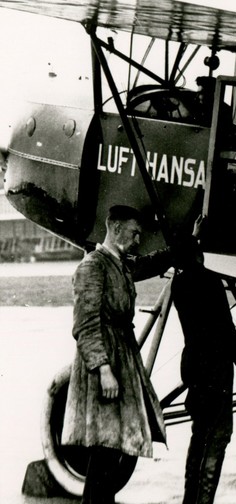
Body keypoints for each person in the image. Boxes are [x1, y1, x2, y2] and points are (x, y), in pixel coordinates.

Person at [63, 205, 190, 504]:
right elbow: (85, 324)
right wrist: (103, 368)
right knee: (105, 451)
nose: (137, 241)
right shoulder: (93, 266)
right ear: (116, 228)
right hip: (105, 368)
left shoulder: (118, 264)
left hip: (120, 361)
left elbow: (151, 263)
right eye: (134, 234)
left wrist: (188, 240)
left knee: (111, 451)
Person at [171, 216, 236, 504]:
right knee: (218, 437)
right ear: (197, 253)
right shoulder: (210, 282)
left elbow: (185, 256)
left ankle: (189, 500)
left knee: (199, 436)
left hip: (194, 368)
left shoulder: (179, 285)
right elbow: (225, 328)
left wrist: (194, 237)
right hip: (217, 371)